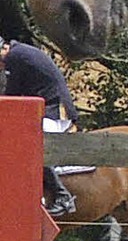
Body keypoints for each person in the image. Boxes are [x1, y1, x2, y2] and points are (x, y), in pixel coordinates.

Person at [0, 36, 78, 216]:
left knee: (30, 145)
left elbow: (11, 96)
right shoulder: (19, 53)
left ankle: (62, 196)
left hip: (56, 110)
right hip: (48, 107)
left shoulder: (14, 57)